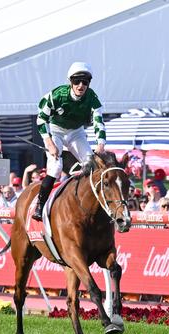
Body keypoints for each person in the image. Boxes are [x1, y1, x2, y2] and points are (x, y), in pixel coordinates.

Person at [33, 61, 106, 221]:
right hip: (55, 131)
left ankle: (96, 206)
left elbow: (98, 122)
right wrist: (50, 143)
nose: (81, 86)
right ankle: (40, 205)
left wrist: (100, 144)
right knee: (56, 167)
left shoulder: (92, 98)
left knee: (92, 165)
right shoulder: (57, 95)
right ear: (70, 82)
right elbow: (41, 119)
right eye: (76, 81)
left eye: (85, 82)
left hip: (76, 133)